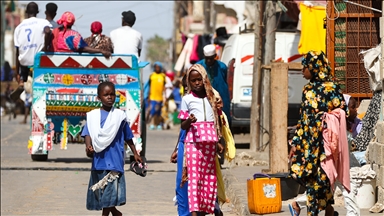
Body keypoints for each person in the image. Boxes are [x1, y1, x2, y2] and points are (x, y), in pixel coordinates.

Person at [288, 51, 348, 216]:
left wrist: (325, 118)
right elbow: (303, 119)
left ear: (314, 68)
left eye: (305, 67)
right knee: (313, 180)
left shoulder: (332, 88)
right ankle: (328, 211)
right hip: (308, 145)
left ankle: (317, 212)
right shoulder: (307, 89)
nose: (302, 71)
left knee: (322, 179)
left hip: (325, 144)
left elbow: (343, 111)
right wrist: (295, 143)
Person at [81, 81, 142, 216]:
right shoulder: (92, 116)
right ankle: (114, 212)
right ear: (99, 98)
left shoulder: (120, 116)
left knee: (110, 191)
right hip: (99, 160)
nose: (109, 97)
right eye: (106, 95)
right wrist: (88, 146)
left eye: (112, 94)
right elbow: (87, 133)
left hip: (114, 160)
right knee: (103, 191)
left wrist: (135, 153)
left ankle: (107, 214)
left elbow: (128, 136)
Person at [178, 64, 224, 216]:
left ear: (204, 79)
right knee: (194, 179)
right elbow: (183, 125)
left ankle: (205, 210)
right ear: (189, 83)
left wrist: (218, 142)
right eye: (193, 81)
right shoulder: (187, 99)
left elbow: (218, 121)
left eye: (199, 79)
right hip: (193, 143)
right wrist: (189, 121)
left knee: (208, 179)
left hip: (210, 144)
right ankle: (194, 213)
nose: (197, 83)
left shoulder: (213, 97)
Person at [13, 2, 52, 99]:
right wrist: (46, 45)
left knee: (24, 59)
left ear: (26, 12)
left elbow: (17, 52)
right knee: (39, 56)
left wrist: (17, 72)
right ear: (37, 12)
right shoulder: (43, 22)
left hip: (24, 61)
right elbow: (48, 31)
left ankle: (22, 80)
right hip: (38, 59)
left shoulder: (18, 27)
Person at [44, 11, 111, 59]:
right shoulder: (74, 35)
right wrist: (101, 51)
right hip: (70, 64)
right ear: (73, 23)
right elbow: (83, 48)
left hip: (53, 62)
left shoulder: (55, 33)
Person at [197, 44, 231, 124]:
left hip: (221, 97)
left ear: (215, 56)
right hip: (204, 98)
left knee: (223, 121)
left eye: (211, 58)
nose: (209, 61)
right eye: (207, 58)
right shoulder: (199, 66)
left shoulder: (222, 67)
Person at [147, 62, 166, 130]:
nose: (157, 68)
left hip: (160, 97)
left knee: (158, 112)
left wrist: (165, 96)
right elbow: (149, 86)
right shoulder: (152, 75)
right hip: (152, 97)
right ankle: (152, 124)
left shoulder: (163, 76)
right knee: (152, 111)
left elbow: (164, 87)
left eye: (158, 67)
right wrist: (148, 96)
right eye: (156, 67)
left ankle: (158, 124)